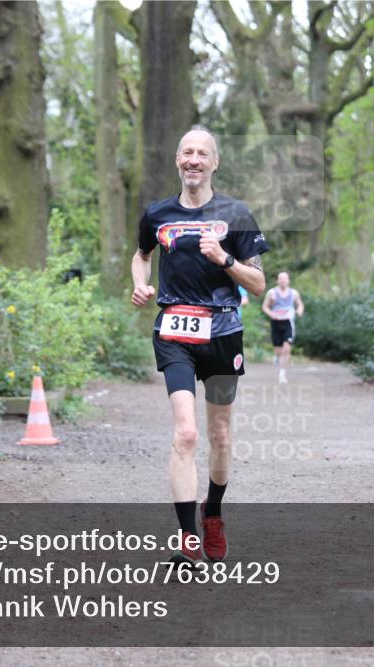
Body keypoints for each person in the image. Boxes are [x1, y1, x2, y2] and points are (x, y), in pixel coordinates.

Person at [130, 126, 268, 566]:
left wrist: (224, 259)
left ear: (214, 163)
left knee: (219, 434)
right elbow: (142, 255)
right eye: (186, 152)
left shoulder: (236, 214)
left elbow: (258, 283)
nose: (193, 159)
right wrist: (140, 283)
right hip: (174, 333)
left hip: (223, 335)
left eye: (202, 153)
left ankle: (213, 512)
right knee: (186, 433)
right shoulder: (157, 213)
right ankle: (188, 539)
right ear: (177, 160)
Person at [261, 272, 304, 384]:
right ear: (277, 280)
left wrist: (299, 310)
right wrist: (272, 314)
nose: (283, 281)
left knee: (287, 348)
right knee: (278, 350)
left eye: (285, 278)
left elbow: (300, 304)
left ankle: (282, 374)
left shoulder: (294, 293)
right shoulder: (272, 293)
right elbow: (265, 307)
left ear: (288, 280)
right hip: (276, 322)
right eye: (280, 278)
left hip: (288, 323)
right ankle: (276, 356)